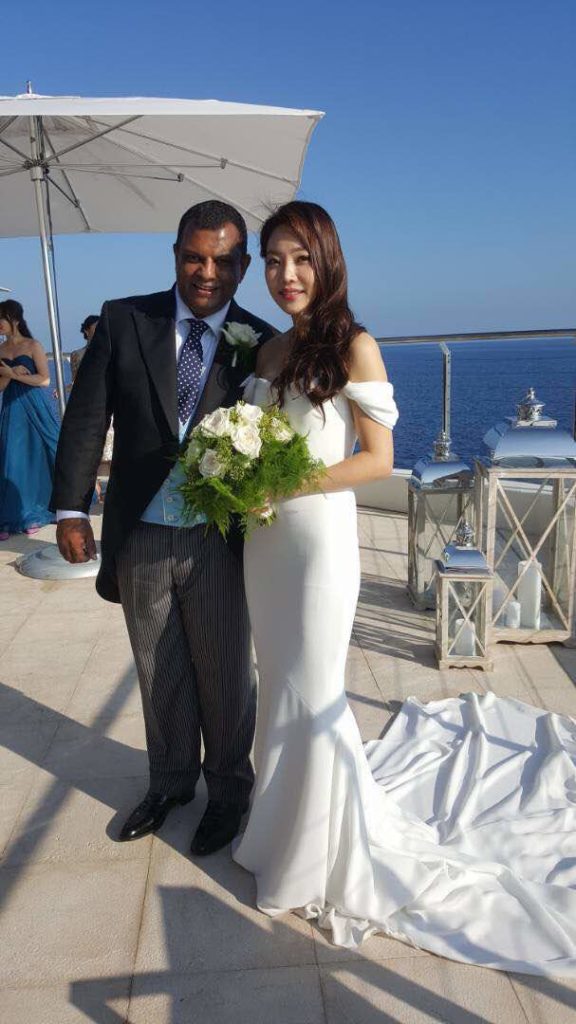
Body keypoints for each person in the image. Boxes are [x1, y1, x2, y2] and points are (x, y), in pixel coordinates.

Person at [232, 201, 576, 978]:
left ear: (327, 260)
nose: (287, 274)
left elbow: (379, 460)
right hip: (264, 546)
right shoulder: (270, 348)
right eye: (274, 259)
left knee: (313, 690)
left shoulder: (353, 345)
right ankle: (277, 832)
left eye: (301, 258)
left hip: (315, 546)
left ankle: (314, 854)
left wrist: (285, 486)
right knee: (277, 685)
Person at [52, 201, 277, 854]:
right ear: (175, 255)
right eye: (193, 257)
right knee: (158, 667)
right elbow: (87, 416)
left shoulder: (260, 341)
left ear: (242, 267)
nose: (206, 272)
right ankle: (171, 782)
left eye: (222, 261)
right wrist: (70, 508)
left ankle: (228, 791)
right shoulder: (125, 319)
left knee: (225, 673)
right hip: (140, 529)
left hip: (218, 538)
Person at [0, 299, 59, 539]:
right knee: (13, 459)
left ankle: (38, 511)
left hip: (35, 405)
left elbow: (44, 380)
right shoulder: (0, 350)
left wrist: (15, 374)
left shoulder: (33, 345)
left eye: (1, 318)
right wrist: (10, 374)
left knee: (45, 452)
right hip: (12, 407)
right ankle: (14, 515)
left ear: (14, 319)